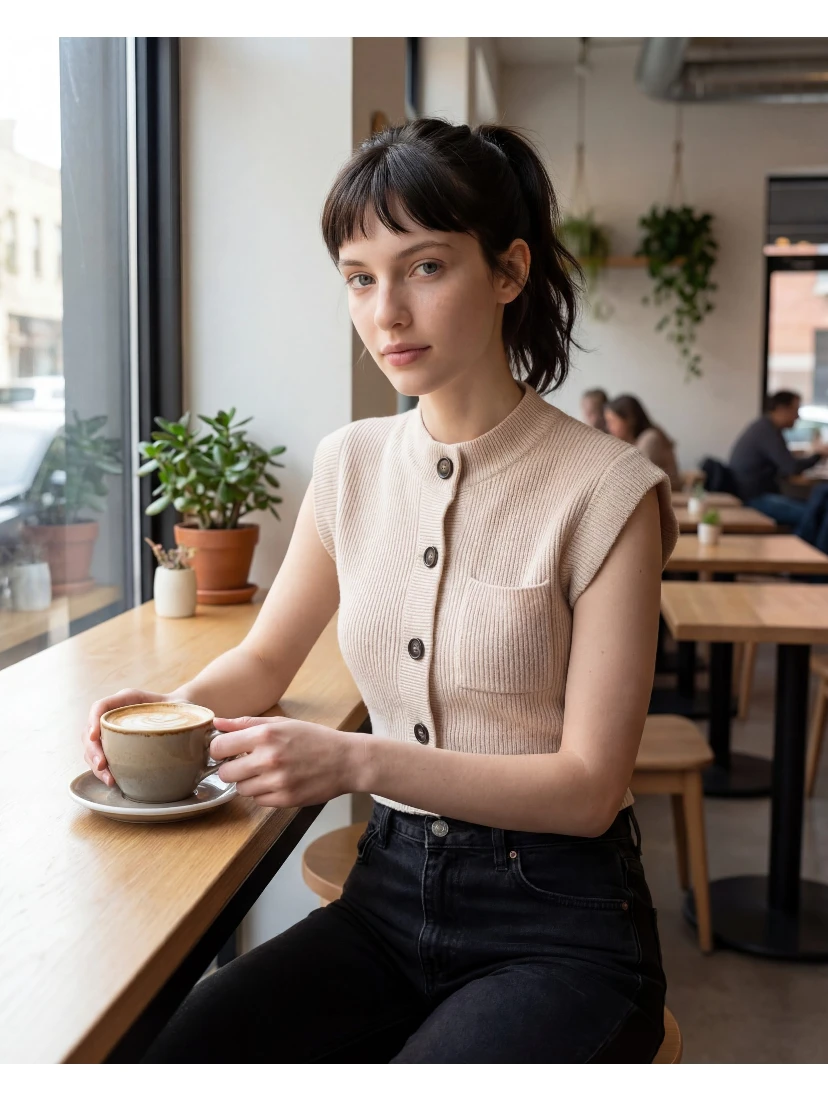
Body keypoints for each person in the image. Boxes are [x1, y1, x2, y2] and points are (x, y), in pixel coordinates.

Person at [82, 118, 677, 1063]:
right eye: (361, 277)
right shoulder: (351, 464)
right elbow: (266, 659)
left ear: (510, 271)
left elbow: (588, 789)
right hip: (386, 901)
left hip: (559, 928)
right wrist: (161, 717)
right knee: (173, 1055)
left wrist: (355, 762)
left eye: (426, 268)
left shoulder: (607, 491)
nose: (386, 313)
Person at [728, 390, 828, 527]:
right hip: (754, 499)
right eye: (795, 410)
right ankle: (802, 547)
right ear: (781, 409)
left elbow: (785, 464)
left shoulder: (764, 427)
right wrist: (819, 455)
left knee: (814, 507)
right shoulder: (767, 431)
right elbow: (791, 467)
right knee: (815, 515)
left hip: (753, 494)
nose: (798, 417)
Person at [605, 395, 682, 492]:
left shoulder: (650, 438)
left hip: (671, 501)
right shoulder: (633, 441)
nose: (608, 427)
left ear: (629, 419)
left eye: (612, 421)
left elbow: (634, 478)